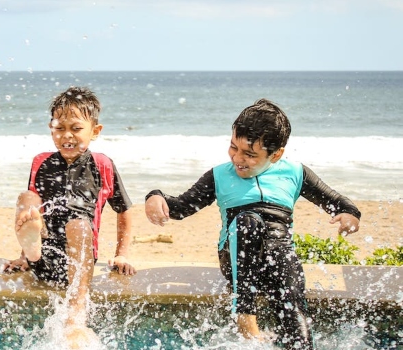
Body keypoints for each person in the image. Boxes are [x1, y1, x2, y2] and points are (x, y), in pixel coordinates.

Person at [144, 98, 361, 350]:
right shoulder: (219, 175)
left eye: (250, 154)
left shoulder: (294, 173)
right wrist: (155, 196)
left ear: (276, 154)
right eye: (233, 147)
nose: (238, 158)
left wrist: (349, 214)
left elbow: (334, 200)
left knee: (292, 302)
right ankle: (245, 316)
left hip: (279, 259)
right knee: (248, 222)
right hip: (236, 255)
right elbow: (181, 207)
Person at [3, 86, 135, 346]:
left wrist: (122, 253)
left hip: (80, 263)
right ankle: (29, 253)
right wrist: (23, 259)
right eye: (59, 128)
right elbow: (32, 214)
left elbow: (124, 209)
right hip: (45, 258)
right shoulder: (41, 161)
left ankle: (77, 309)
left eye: (76, 128)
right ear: (50, 128)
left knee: (77, 224)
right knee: (26, 199)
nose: (67, 136)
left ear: (95, 131)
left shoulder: (102, 164)